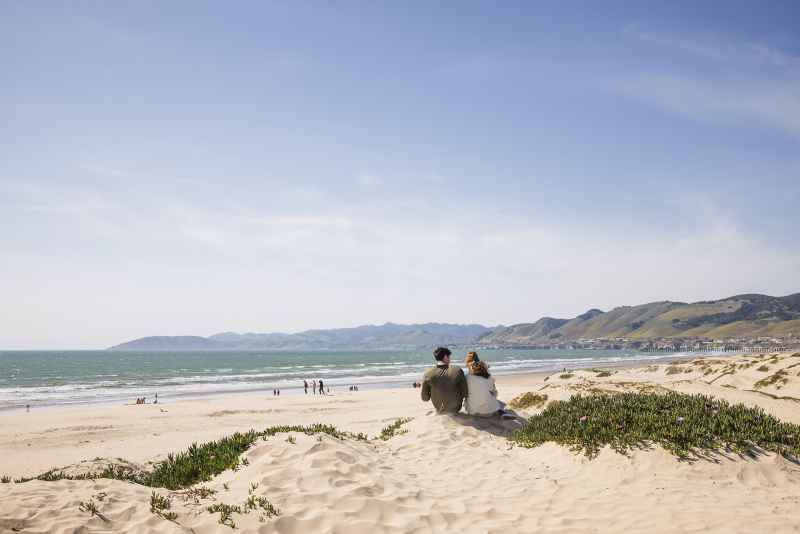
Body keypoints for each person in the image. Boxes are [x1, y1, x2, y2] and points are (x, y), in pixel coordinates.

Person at [464, 351, 514, 419]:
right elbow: (494, 393)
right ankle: (502, 412)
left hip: (471, 412)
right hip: (487, 413)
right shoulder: (487, 377)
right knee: (492, 396)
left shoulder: (465, 377)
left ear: (468, 366)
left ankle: (501, 411)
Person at [420, 347, 467, 413]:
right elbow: (464, 393)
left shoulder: (427, 373)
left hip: (439, 408)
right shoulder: (457, 370)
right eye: (449, 358)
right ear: (445, 357)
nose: (449, 360)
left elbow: (424, 398)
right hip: (456, 408)